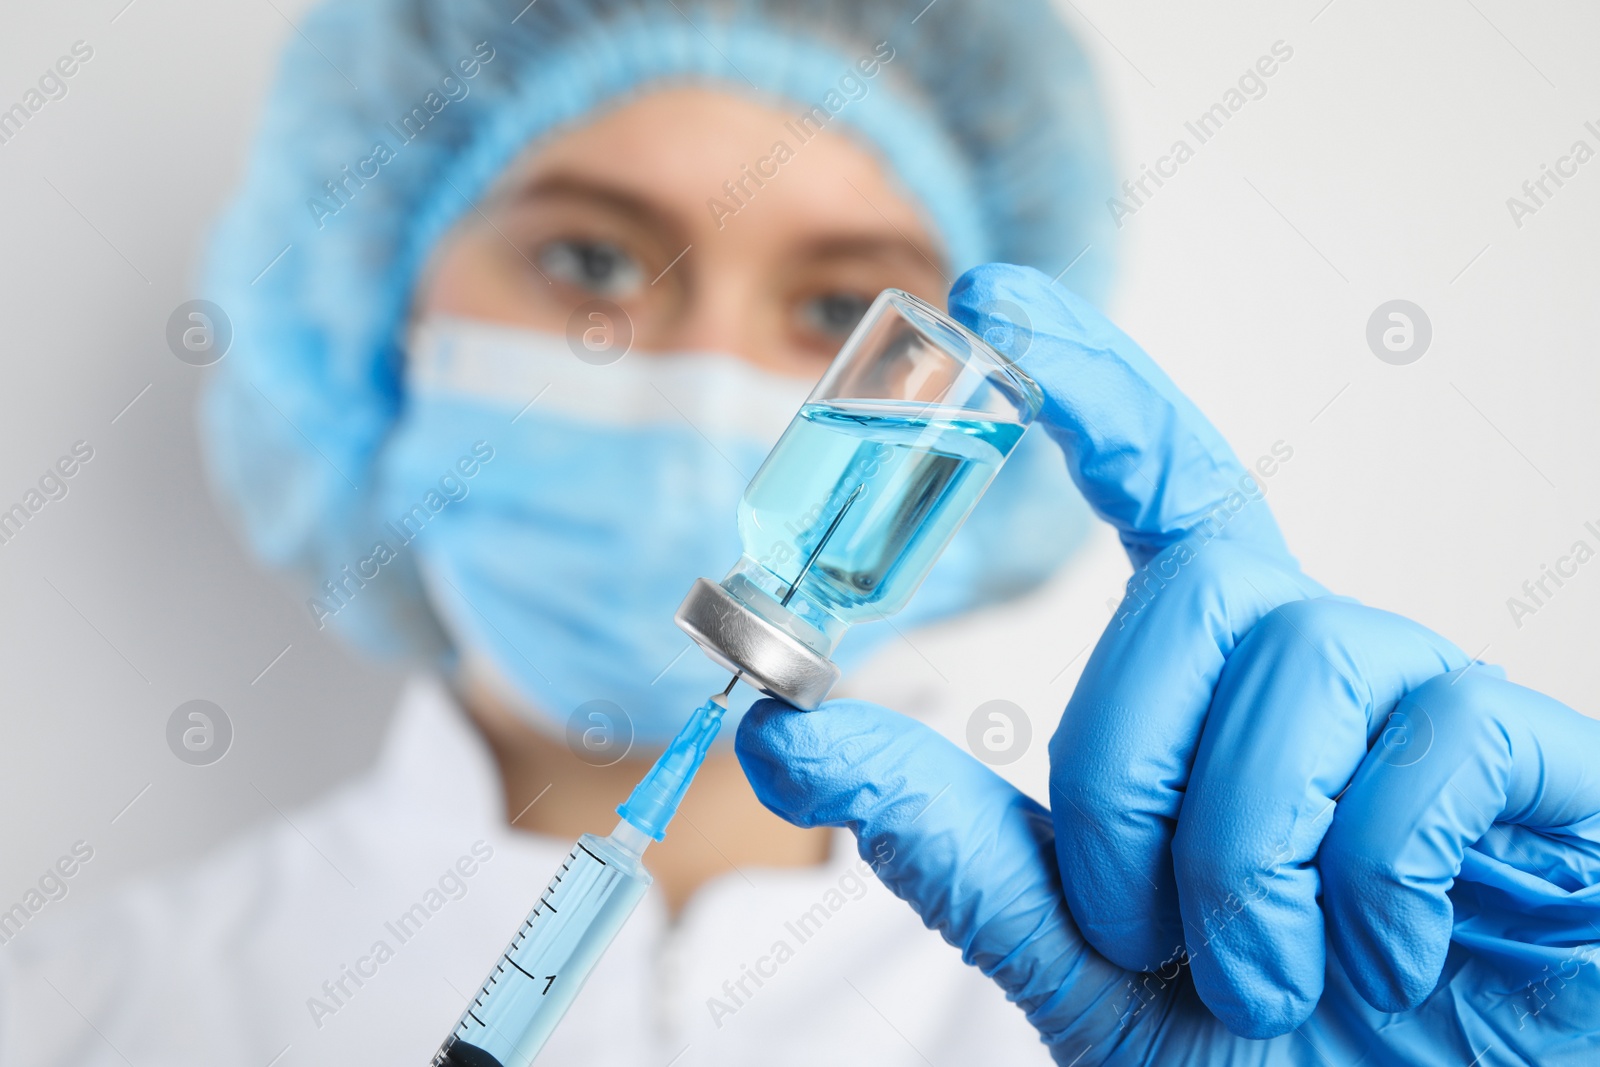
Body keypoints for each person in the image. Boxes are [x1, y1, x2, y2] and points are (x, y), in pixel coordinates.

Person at [1, 2, 1594, 1066]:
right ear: (372, 319)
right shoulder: (80, 1014)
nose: (700, 382)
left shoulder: (1130, 1011)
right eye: (589, 263)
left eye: (839, 306)